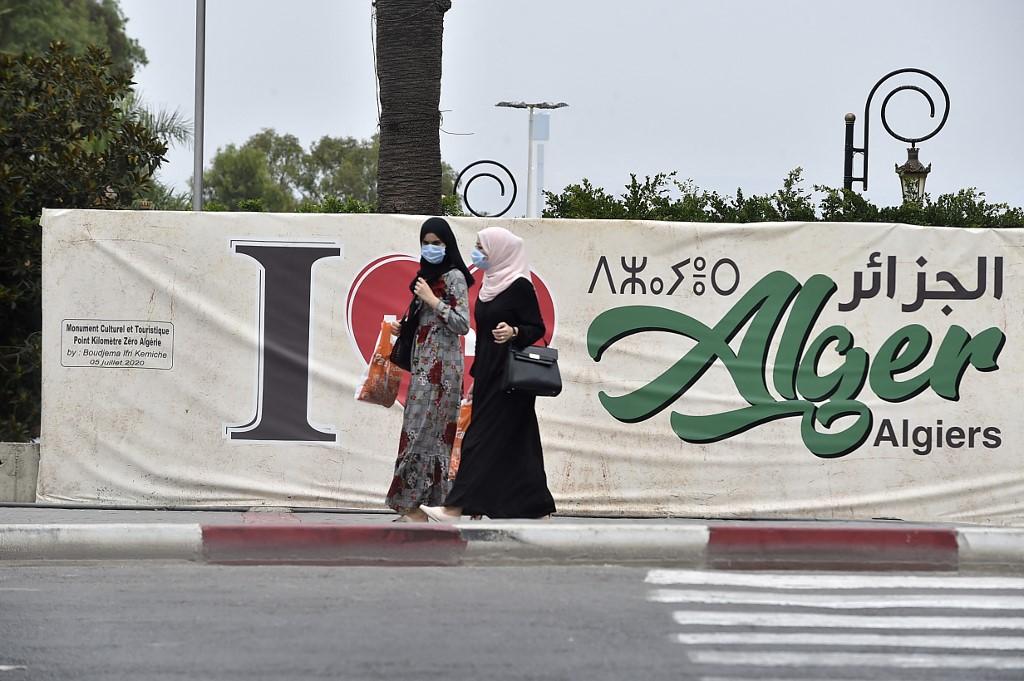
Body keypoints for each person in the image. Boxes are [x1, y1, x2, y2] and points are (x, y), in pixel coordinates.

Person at [423, 226, 556, 520]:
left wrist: (514, 331)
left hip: (510, 380)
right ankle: (536, 507)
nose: (478, 253)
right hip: (487, 374)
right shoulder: (489, 284)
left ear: (500, 250)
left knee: (477, 440)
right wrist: (477, 377)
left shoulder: (519, 285)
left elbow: (536, 327)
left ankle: (454, 507)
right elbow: (482, 336)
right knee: (519, 444)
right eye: (478, 247)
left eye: (482, 248)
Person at [386, 217, 473, 522]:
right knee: (420, 433)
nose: (430, 248)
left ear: (448, 245)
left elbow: (462, 324)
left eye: (437, 243)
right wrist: (404, 326)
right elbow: (425, 321)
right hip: (423, 366)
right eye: (425, 243)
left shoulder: (454, 277)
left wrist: (433, 301)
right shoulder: (425, 276)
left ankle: (413, 506)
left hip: (443, 371)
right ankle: (424, 505)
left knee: (427, 435)